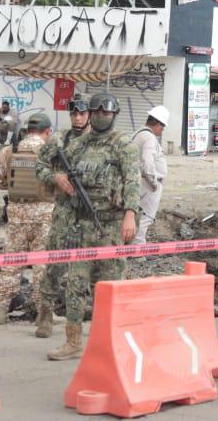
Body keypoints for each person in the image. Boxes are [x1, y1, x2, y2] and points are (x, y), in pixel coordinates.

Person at [36, 94, 140, 360]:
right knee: (76, 285)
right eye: (98, 112)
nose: (102, 116)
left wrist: (130, 214)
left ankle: (110, 340)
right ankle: (73, 342)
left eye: (108, 113)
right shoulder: (76, 144)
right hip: (81, 227)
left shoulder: (123, 145)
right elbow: (41, 165)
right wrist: (56, 177)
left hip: (111, 227)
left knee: (110, 286)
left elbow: (132, 181)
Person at [0, 112, 56, 326]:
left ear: (27, 130)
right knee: (41, 264)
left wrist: (15, 186)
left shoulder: (10, 150)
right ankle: (42, 314)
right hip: (44, 215)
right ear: (47, 132)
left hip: (16, 214)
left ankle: (0, 311)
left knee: (11, 262)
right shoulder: (51, 152)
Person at [33, 95, 90, 339]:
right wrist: (56, 178)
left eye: (82, 113)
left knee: (86, 269)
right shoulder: (59, 139)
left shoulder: (97, 141)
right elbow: (39, 166)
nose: (77, 118)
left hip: (88, 213)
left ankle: (77, 321)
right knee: (54, 267)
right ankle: (45, 315)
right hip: (65, 213)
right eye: (73, 113)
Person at [130, 106, 170, 243]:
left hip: (138, 181)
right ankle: (137, 246)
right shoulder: (149, 137)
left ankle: (132, 243)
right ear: (158, 123)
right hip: (147, 183)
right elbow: (147, 162)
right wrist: (153, 182)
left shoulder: (138, 134)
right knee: (145, 216)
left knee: (137, 215)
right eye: (162, 127)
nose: (162, 130)